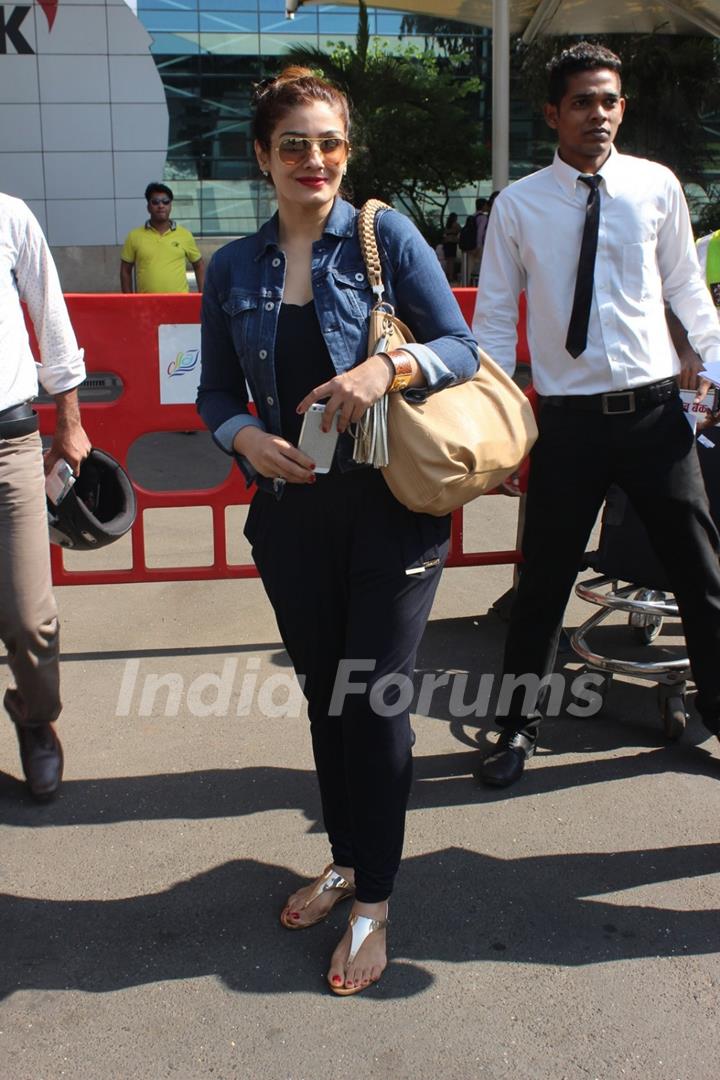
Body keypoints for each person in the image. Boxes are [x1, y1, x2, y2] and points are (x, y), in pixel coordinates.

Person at [198, 67, 478, 994]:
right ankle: (348, 859)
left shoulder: (383, 235)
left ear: (346, 151)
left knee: (378, 705)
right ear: (261, 157)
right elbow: (211, 394)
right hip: (290, 519)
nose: (314, 160)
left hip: (391, 515)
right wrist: (244, 436)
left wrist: (385, 370)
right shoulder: (233, 267)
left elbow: (464, 348)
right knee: (327, 699)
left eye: (330, 143)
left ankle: (374, 906)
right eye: (294, 144)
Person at [472, 42, 720, 788]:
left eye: (609, 100)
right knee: (543, 580)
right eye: (582, 101)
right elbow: (489, 324)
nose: (599, 114)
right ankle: (515, 728)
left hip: (654, 418)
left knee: (701, 578)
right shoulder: (519, 205)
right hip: (568, 425)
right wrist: (496, 427)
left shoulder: (656, 188)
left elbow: (687, 290)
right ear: (553, 113)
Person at [0, 192, 91, 799]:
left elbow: (50, 316)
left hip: (10, 444)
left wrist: (70, 418)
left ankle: (35, 720)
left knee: (30, 619)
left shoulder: (9, 215)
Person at [120, 183, 204, 294]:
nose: (161, 206)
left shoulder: (185, 235)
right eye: (155, 202)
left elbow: (199, 266)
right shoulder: (134, 236)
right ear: (148, 207)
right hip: (146, 305)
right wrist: (129, 301)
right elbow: (125, 271)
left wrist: (203, 297)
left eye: (165, 202)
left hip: (179, 303)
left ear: (170, 206)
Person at [441, 211, 461, 282]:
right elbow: (460, 230)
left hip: (447, 243)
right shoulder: (456, 224)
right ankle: (451, 276)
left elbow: (444, 233)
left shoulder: (447, 225)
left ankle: (447, 275)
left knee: (448, 261)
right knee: (451, 260)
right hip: (452, 243)